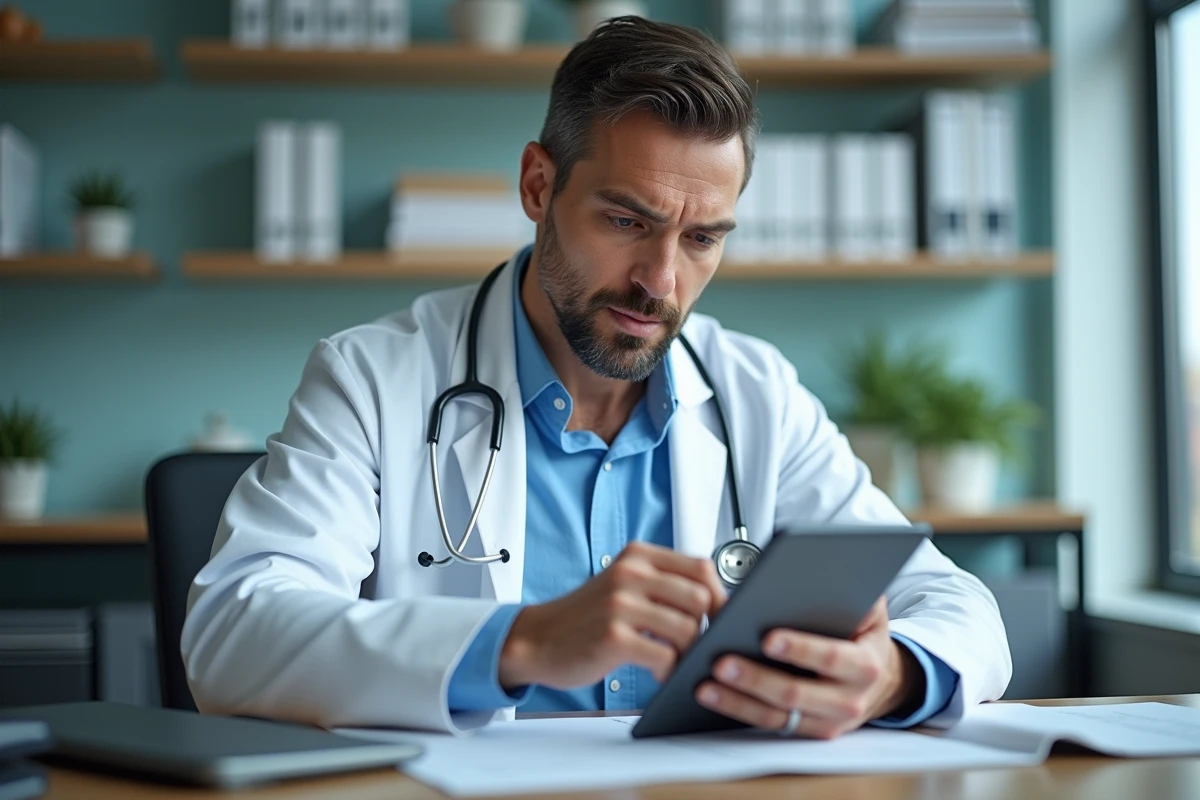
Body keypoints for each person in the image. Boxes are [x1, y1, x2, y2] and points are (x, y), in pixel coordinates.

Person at [182, 16, 1011, 738]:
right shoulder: (373, 378)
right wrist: (524, 642)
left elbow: (958, 607)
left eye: (702, 240)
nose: (661, 281)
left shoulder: (754, 392)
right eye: (626, 221)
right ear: (539, 186)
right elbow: (232, 632)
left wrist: (892, 675)